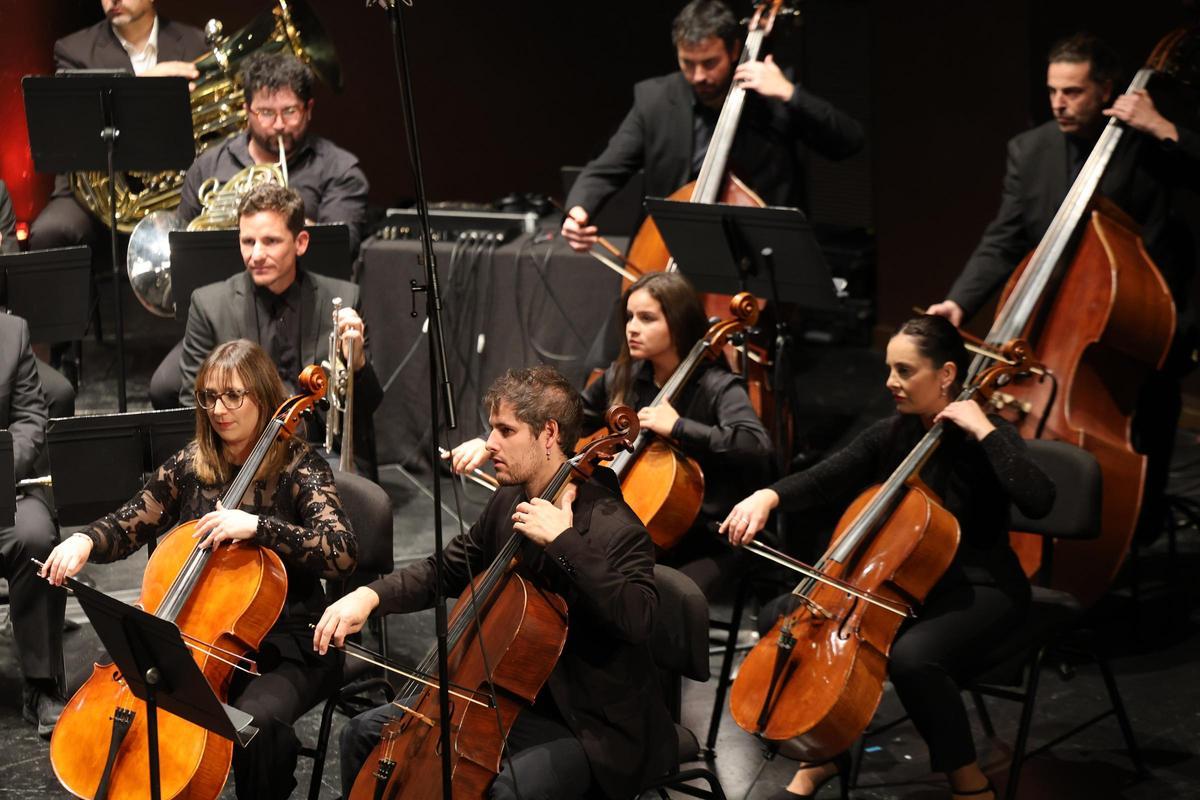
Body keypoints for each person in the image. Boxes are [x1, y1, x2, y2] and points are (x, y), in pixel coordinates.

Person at [721, 315, 1056, 800]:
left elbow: (1039, 498)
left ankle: (969, 782)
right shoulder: (893, 434)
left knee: (914, 659)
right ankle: (826, 750)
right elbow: (823, 478)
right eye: (888, 369)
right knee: (782, 615)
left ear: (945, 375)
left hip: (981, 588)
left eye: (903, 370)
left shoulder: (989, 436)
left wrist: (983, 428)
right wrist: (767, 497)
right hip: (903, 586)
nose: (890, 382)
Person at [315, 365, 675, 800]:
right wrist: (369, 596)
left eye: (506, 430)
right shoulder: (510, 500)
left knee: (505, 792)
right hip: (500, 697)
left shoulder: (614, 526)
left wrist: (564, 542)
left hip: (585, 722)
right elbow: (445, 570)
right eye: (492, 428)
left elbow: (639, 618)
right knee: (363, 734)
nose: (489, 443)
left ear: (548, 434)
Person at [41, 339, 357, 799]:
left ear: (264, 397)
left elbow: (343, 551)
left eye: (233, 396)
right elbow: (132, 520)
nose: (218, 409)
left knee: (261, 728)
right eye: (208, 396)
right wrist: (85, 539)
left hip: (287, 644)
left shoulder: (299, 467)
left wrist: (259, 527)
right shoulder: (194, 464)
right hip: (196, 639)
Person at [925, 32, 1200, 542]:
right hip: (1058, 329)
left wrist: (1162, 127)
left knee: (1143, 432)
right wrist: (959, 301)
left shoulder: (1151, 148)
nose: (1059, 102)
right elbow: (1003, 239)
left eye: (1073, 91)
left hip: (1138, 329)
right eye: (1053, 90)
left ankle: (1130, 536)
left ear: (1106, 90)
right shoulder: (1029, 152)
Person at [448, 272, 772, 597]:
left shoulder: (716, 386)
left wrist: (679, 427)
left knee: (662, 599)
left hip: (704, 537)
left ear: (679, 323)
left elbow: (756, 445)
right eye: (629, 316)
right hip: (634, 526)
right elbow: (564, 420)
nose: (632, 327)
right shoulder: (624, 376)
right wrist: (489, 441)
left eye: (647, 319)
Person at [561, 0, 864, 251]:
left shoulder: (772, 98)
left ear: (734, 51)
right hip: (672, 249)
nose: (698, 76)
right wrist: (578, 210)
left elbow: (848, 141)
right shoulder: (654, 98)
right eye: (687, 63)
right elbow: (606, 168)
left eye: (709, 63)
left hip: (755, 252)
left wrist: (790, 94)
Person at [153, 184, 381, 464]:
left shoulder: (344, 298)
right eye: (248, 242)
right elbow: (193, 407)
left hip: (321, 452)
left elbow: (367, 408)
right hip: (241, 457)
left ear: (301, 243)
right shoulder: (209, 305)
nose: (257, 255)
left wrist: (357, 363)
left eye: (271, 241)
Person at [30, 0, 206, 252]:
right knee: (50, 232)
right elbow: (74, 126)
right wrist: (144, 86)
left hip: (178, 185)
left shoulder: (196, 43)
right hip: (96, 193)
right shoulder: (74, 49)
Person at [176, 51, 369, 255]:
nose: (279, 125)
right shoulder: (207, 166)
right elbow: (182, 247)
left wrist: (276, 218)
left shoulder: (340, 170)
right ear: (247, 111)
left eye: (290, 111)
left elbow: (339, 250)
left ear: (308, 109)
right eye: (266, 113)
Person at [0, 313, 67, 739]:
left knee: (37, 536)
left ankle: (41, 684)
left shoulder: (11, 332)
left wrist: (5, 466)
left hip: (3, 487)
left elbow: (28, 417)